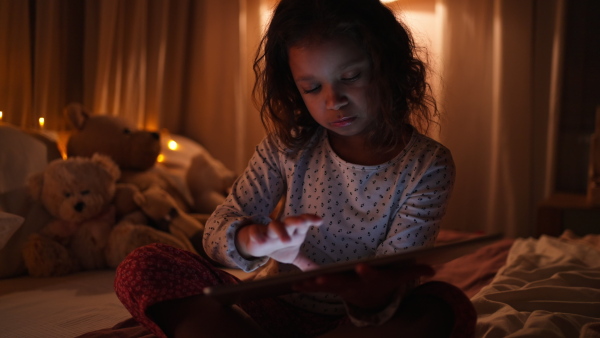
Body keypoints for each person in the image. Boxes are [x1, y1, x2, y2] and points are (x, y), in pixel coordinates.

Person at [114, 0, 475, 337]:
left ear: (389, 67)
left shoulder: (427, 164)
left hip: (360, 322)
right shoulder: (287, 146)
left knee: (446, 304)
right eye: (313, 87)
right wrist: (253, 239)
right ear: (295, 89)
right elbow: (216, 234)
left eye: (350, 77)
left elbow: (395, 276)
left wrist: (367, 291)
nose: (333, 101)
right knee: (144, 264)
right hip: (272, 309)